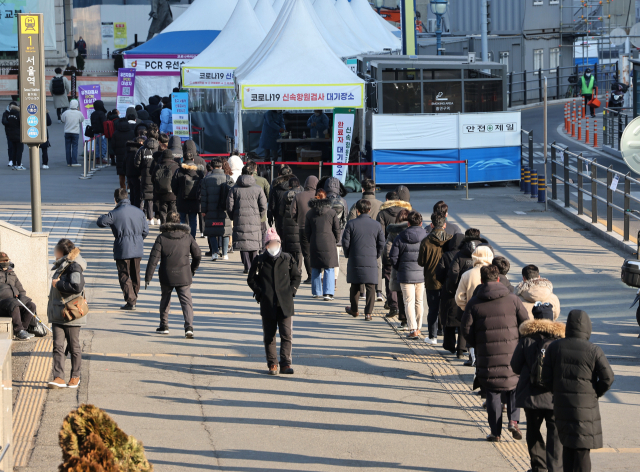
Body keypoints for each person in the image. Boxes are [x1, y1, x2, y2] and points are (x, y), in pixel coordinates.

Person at [461, 265, 529, 442]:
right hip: (513, 353)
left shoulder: (474, 302)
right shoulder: (513, 299)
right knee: (514, 387)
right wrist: (519, 342)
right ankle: (514, 421)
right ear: (498, 278)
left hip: (487, 354)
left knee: (492, 392)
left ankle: (495, 432)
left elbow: (465, 330)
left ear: (482, 280)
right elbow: (526, 323)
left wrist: (478, 344)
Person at [542, 310, 615, 472]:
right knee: (582, 453)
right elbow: (608, 378)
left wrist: (557, 391)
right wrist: (595, 393)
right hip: (585, 409)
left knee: (567, 447)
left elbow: (545, 377)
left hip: (562, 406)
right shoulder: (593, 350)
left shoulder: (555, 348)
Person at [511, 302, 565, 472]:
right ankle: (555, 468)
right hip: (554, 395)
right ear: (552, 317)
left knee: (533, 430)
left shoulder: (526, 339)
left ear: (535, 317)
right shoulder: (560, 341)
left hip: (531, 394)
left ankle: (538, 467)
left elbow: (515, 366)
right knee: (555, 432)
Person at [247, 228, 302, 375]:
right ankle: (272, 363)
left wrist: (292, 291)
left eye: (276, 243)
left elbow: (296, 276)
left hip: (285, 303)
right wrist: (260, 293)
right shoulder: (260, 261)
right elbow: (251, 279)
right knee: (269, 336)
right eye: (270, 243)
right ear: (266, 246)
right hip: (268, 303)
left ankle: (285, 364)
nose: (273, 246)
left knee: (286, 334)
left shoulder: (288, 258)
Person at [145, 212, 202, 338]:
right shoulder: (188, 237)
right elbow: (198, 254)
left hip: (166, 275)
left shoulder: (161, 238)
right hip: (184, 274)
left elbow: (153, 259)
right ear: (179, 221)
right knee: (186, 301)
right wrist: (192, 269)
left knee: (165, 298)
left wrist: (148, 277)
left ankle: (164, 325)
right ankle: (189, 327)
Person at [97, 188, 149, 311]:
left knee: (124, 274)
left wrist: (103, 215)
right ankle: (134, 297)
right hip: (137, 247)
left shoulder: (115, 213)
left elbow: (101, 222)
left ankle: (131, 300)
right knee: (136, 274)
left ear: (115, 200)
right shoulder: (139, 212)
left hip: (122, 248)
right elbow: (145, 231)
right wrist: (138, 240)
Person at [47, 239, 87, 389]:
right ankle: (58, 377)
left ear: (63, 252)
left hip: (70, 313)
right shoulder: (62, 264)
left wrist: (58, 284)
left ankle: (75, 376)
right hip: (59, 312)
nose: (54, 253)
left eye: (56, 250)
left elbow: (76, 287)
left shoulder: (74, 266)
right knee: (57, 346)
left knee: (73, 345)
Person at [342, 199, 385, 321]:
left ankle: (354, 310)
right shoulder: (376, 225)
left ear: (357, 210)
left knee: (355, 285)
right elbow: (381, 242)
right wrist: (376, 254)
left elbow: (346, 242)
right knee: (371, 286)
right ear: (369, 210)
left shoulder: (351, 224)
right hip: (371, 258)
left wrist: (348, 254)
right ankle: (368, 313)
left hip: (355, 258)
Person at [389, 211, 428, 339]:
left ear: (408, 223)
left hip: (405, 275)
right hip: (421, 274)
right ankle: (418, 327)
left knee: (408, 302)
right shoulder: (426, 236)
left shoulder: (400, 237)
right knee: (419, 301)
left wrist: (399, 268)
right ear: (421, 223)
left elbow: (393, 256)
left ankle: (412, 328)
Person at [454, 245, 494, 366]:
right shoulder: (494, 273)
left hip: (472, 310)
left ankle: (473, 357)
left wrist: (465, 308)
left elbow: (459, 296)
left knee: (471, 334)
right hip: (492, 311)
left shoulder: (467, 274)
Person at [418, 212, 452, 344]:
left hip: (431, 279)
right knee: (446, 307)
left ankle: (432, 336)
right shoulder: (450, 239)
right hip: (447, 279)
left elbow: (421, 262)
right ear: (444, 224)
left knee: (433, 308)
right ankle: (444, 332)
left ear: (431, 224)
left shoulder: (426, 241)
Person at [378, 188, 412, 314]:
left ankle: (393, 305)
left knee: (389, 277)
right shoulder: (411, 212)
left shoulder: (383, 213)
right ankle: (404, 308)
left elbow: (380, 234)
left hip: (389, 248)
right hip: (407, 252)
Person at [227, 171, 268, 274]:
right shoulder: (258, 188)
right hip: (255, 219)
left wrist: (233, 217)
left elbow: (229, 206)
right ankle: (254, 266)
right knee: (254, 243)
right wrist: (259, 216)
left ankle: (247, 266)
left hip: (239, 218)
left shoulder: (234, 188)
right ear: (252, 174)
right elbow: (263, 206)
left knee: (242, 242)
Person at [305, 189, 340, 301]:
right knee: (329, 267)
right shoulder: (332, 212)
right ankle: (328, 293)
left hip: (315, 241)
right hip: (329, 241)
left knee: (316, 266)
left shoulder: (310, 213)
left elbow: (307, 231)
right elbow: (337, 229)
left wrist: (310, 240)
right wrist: (336, 239)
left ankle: (316, 292)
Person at [0, 252, 42, 340]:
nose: (5, 262)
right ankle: (18, 331)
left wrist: (22, 299)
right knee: (14, 304)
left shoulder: (12, 273)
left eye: (6, 260)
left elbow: (21, 289)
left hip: (14, 301)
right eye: (2, 261)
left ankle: (23, 329)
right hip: (2, 303)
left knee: (31, 305)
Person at [437, 232, 466, 355]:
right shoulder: (466, 256)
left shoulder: (446, 255)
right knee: (462, 321)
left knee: (448, 318)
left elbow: (439, 273)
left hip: (449, 291)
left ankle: (449, 345)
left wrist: (445, 283)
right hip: (464, 291)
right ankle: (461, 347)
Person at [201, 159, 233, 261]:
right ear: (221, 167)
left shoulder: (206, 179)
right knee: (225, 231)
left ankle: (214, 252)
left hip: (210, 209)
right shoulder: (228, 178)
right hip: (225, 210)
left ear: (211, 167)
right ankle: (224, 254)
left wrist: (203, 210)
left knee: (212, 231)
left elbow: (203, 197)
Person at [383, 209, 410, 328]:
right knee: (413, 296)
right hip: (414, 267)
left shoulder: (393, 232)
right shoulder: (415, 231)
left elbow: (388, 250)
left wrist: (394, 262)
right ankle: (414, 322)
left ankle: (403, 319)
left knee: (400, 293)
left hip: (398, 267)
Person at [290, 175, 317, 284]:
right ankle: (318, 275)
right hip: (317, 228)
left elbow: (293, 212)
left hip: (303, 227)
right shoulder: (319, 195)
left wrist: (298, 220)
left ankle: (310, 276)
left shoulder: (298, 196)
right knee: (317, 252)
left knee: (306, 253)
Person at [172, 152, 205, 239]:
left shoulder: (179, 170)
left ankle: (182, 238)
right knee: (193, 220)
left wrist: (178, 194)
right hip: (195, 200)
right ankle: (192, 238)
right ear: (193, 159)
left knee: (182, 219)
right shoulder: (199, 171)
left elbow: (173, 185)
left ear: (184, 159)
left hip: (182, 199)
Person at [324, 177, 348, 283]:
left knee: (323, 257)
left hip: (324, 235)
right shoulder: (343, 201)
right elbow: (345, 219)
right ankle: (334, 281)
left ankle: (323, 279)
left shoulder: (323, 200)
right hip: (338, 235)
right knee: (336, 259)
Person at [135, 132, 159, 225]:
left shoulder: (142, 149)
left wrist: (142, 169)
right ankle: (157, 218)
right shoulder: (159, 148)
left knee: (145, 197)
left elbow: (136, 163)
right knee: (156, 197)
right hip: (157, 176)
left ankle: (148, 218)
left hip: (145, 176)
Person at [246, 159, 271, 249]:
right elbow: (269, 195)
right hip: (260, 211)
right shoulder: (263, 180)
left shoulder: (241, 180)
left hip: (246, 212)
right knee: (263, 231)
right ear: (256, 169)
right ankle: (263, 249)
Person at [279, 177, 303, 270]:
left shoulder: (285, 195)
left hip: (287, 225)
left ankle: (289, 269)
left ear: (289, 185)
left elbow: (281, 212)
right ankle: (298, 270)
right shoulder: (302, 195)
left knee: (288, 249)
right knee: (298, 250)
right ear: (298, 185)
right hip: (299, 225)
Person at [153, 148, 180, 224]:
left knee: (163, 212)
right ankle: (174, 227)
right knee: (173, 213)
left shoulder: (158, 166)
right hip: (173, 194)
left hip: (161, 193)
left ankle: (164, 227)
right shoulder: (175, 166)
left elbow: (153, 179)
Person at [113, 107, 138, 189]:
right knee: (129, 171)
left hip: (119, 155)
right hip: (129, 154)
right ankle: (129, 187)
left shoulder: (116, 133)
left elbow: (113, 145)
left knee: (121, 173)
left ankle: (122, 188)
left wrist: (116, 152)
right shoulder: (132, 132)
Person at [269, 165, 296, 236]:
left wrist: (273, 217)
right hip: (295, 222)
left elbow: (272, 205)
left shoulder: (275, 188)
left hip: (280, 220)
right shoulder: (298, 188)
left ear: (279, 175)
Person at [61, 100, 84, 167]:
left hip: (67, 131)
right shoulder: (79, 113)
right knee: (75, 147)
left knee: (67, 147)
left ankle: (68, 162)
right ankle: (74, 161)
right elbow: (82, 120)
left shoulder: (66, 112)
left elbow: (62, 119)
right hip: (75, 132)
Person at [3, 102, 24, 170]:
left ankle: (14, 164)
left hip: (11, 135)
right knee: (19, 150)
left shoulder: (9, 115)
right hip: (18, 135)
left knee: (14, 149)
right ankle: (19, 164)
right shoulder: (18, 115)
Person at [125, 136, 145, 208]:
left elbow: (124, 163)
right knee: (138, 195)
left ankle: (132, 208)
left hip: (129, 175)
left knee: (132, 195)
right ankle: (137, 210)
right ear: (140, 142)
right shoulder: (138, 151)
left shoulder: (128, 150)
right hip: (137, 176)